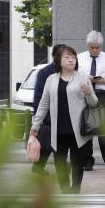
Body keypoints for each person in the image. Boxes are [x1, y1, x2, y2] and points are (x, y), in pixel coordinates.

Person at [30, 46, 98, 193]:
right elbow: (43, 104)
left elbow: (94, 103)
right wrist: (35, 126)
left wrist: (89, 93)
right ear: (58, 61)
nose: (70, 59)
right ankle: (65, 189)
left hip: (77, 129)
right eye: (67, 57)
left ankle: (75, 189)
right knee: (60, 162)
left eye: (73, 57)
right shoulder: (51, 79)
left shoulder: (83, 77)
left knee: (77, 162)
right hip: (58, 129)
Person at [77, 31, 105, 171]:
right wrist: (86, 79)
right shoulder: (79, 58)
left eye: (97, 47)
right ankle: (86, 161)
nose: (95, 50)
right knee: (86, 128)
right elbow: (73, 76)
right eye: (92, 47)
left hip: (102, 94)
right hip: (84, 95)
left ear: (101, 46)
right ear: (87, 45)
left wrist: (103, 80)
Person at [31, 44, 66, 176]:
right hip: (49, 116)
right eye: (63, 56)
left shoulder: (68, 71)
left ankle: (39, 166)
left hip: (63, 114)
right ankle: (60, 169)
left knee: (50, 144)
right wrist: (39, 118)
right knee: (50, 143)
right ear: (54, 57)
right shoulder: (44, 72)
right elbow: (38, 97)